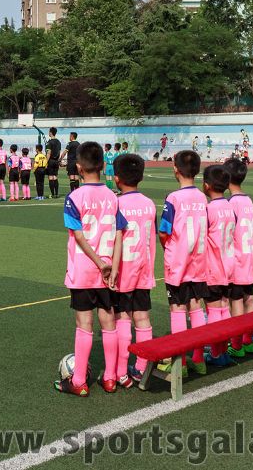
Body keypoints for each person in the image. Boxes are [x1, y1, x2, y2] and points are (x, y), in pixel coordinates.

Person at [54, 141, 127, 396]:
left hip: (84, 271)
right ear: (103, 165)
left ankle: (79, 382)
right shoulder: (113, 197)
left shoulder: (74, 197)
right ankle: (110, 378)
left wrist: (99, 263)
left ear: (78, 167)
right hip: (107, 274)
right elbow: (119, 234)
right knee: (109, 322)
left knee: (84, 324)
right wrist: (112, 268)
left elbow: (79, 236)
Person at [106, 153, 156, 387]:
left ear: (116, 178)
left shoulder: (116, 204)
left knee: (122, 318)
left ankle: (121, 370)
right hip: (144, 270)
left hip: (123, 271)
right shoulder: (149, 204)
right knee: (142, 318)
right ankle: (142, 367)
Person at [158, 150, 209, 376]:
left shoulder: (173, 198)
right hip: (198, 263)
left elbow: (163, 231)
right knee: (196, 307)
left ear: (175, 170)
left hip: (178, 264)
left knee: (177, 308)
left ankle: (181, 363)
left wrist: (168, 249)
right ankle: (198, 358)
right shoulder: (202, 198)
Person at [225, 157, 253, 358]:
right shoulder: (248, 200)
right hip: (249, 260)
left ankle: (236, 345)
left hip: (236, 261)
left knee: (236, 301)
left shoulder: (231, 203)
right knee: (249, 299)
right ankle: (249, 340)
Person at [202, 164, 236, 366]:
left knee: (214, 309)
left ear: (206, 185)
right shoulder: (230, 207)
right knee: (224, 306)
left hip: (213, 267)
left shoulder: (209, 209)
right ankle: (222, 350)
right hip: (228, 266)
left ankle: (216, 353)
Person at [45, 128, 62, 199]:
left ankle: (52, 194)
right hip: (56, 161)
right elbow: (59, 152)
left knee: (50, 177)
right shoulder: (58, 142)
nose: (48, 133)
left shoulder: (49, 142)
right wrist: (58, 161)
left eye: (49, 132)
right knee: (55, 177)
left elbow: (49, 153)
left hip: (51, 161)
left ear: (51, 133)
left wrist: (46, 162)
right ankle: (57, 193)